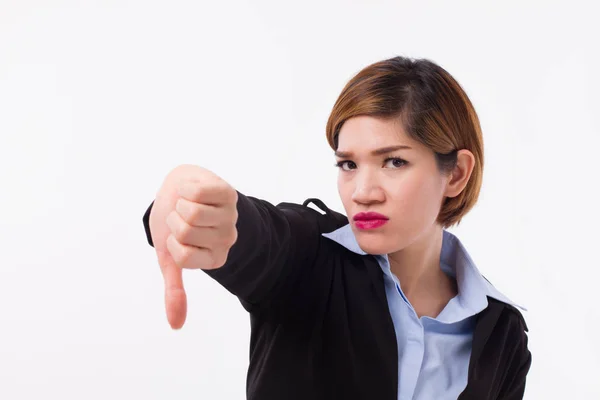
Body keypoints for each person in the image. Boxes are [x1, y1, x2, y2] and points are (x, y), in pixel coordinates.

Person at [142, 56, 532, 400]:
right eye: (348, 164)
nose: (362, 192)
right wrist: (188, 200)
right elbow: (253, 233)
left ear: (457, 174)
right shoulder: (304, 256)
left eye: (394, 162)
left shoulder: (500, 335)